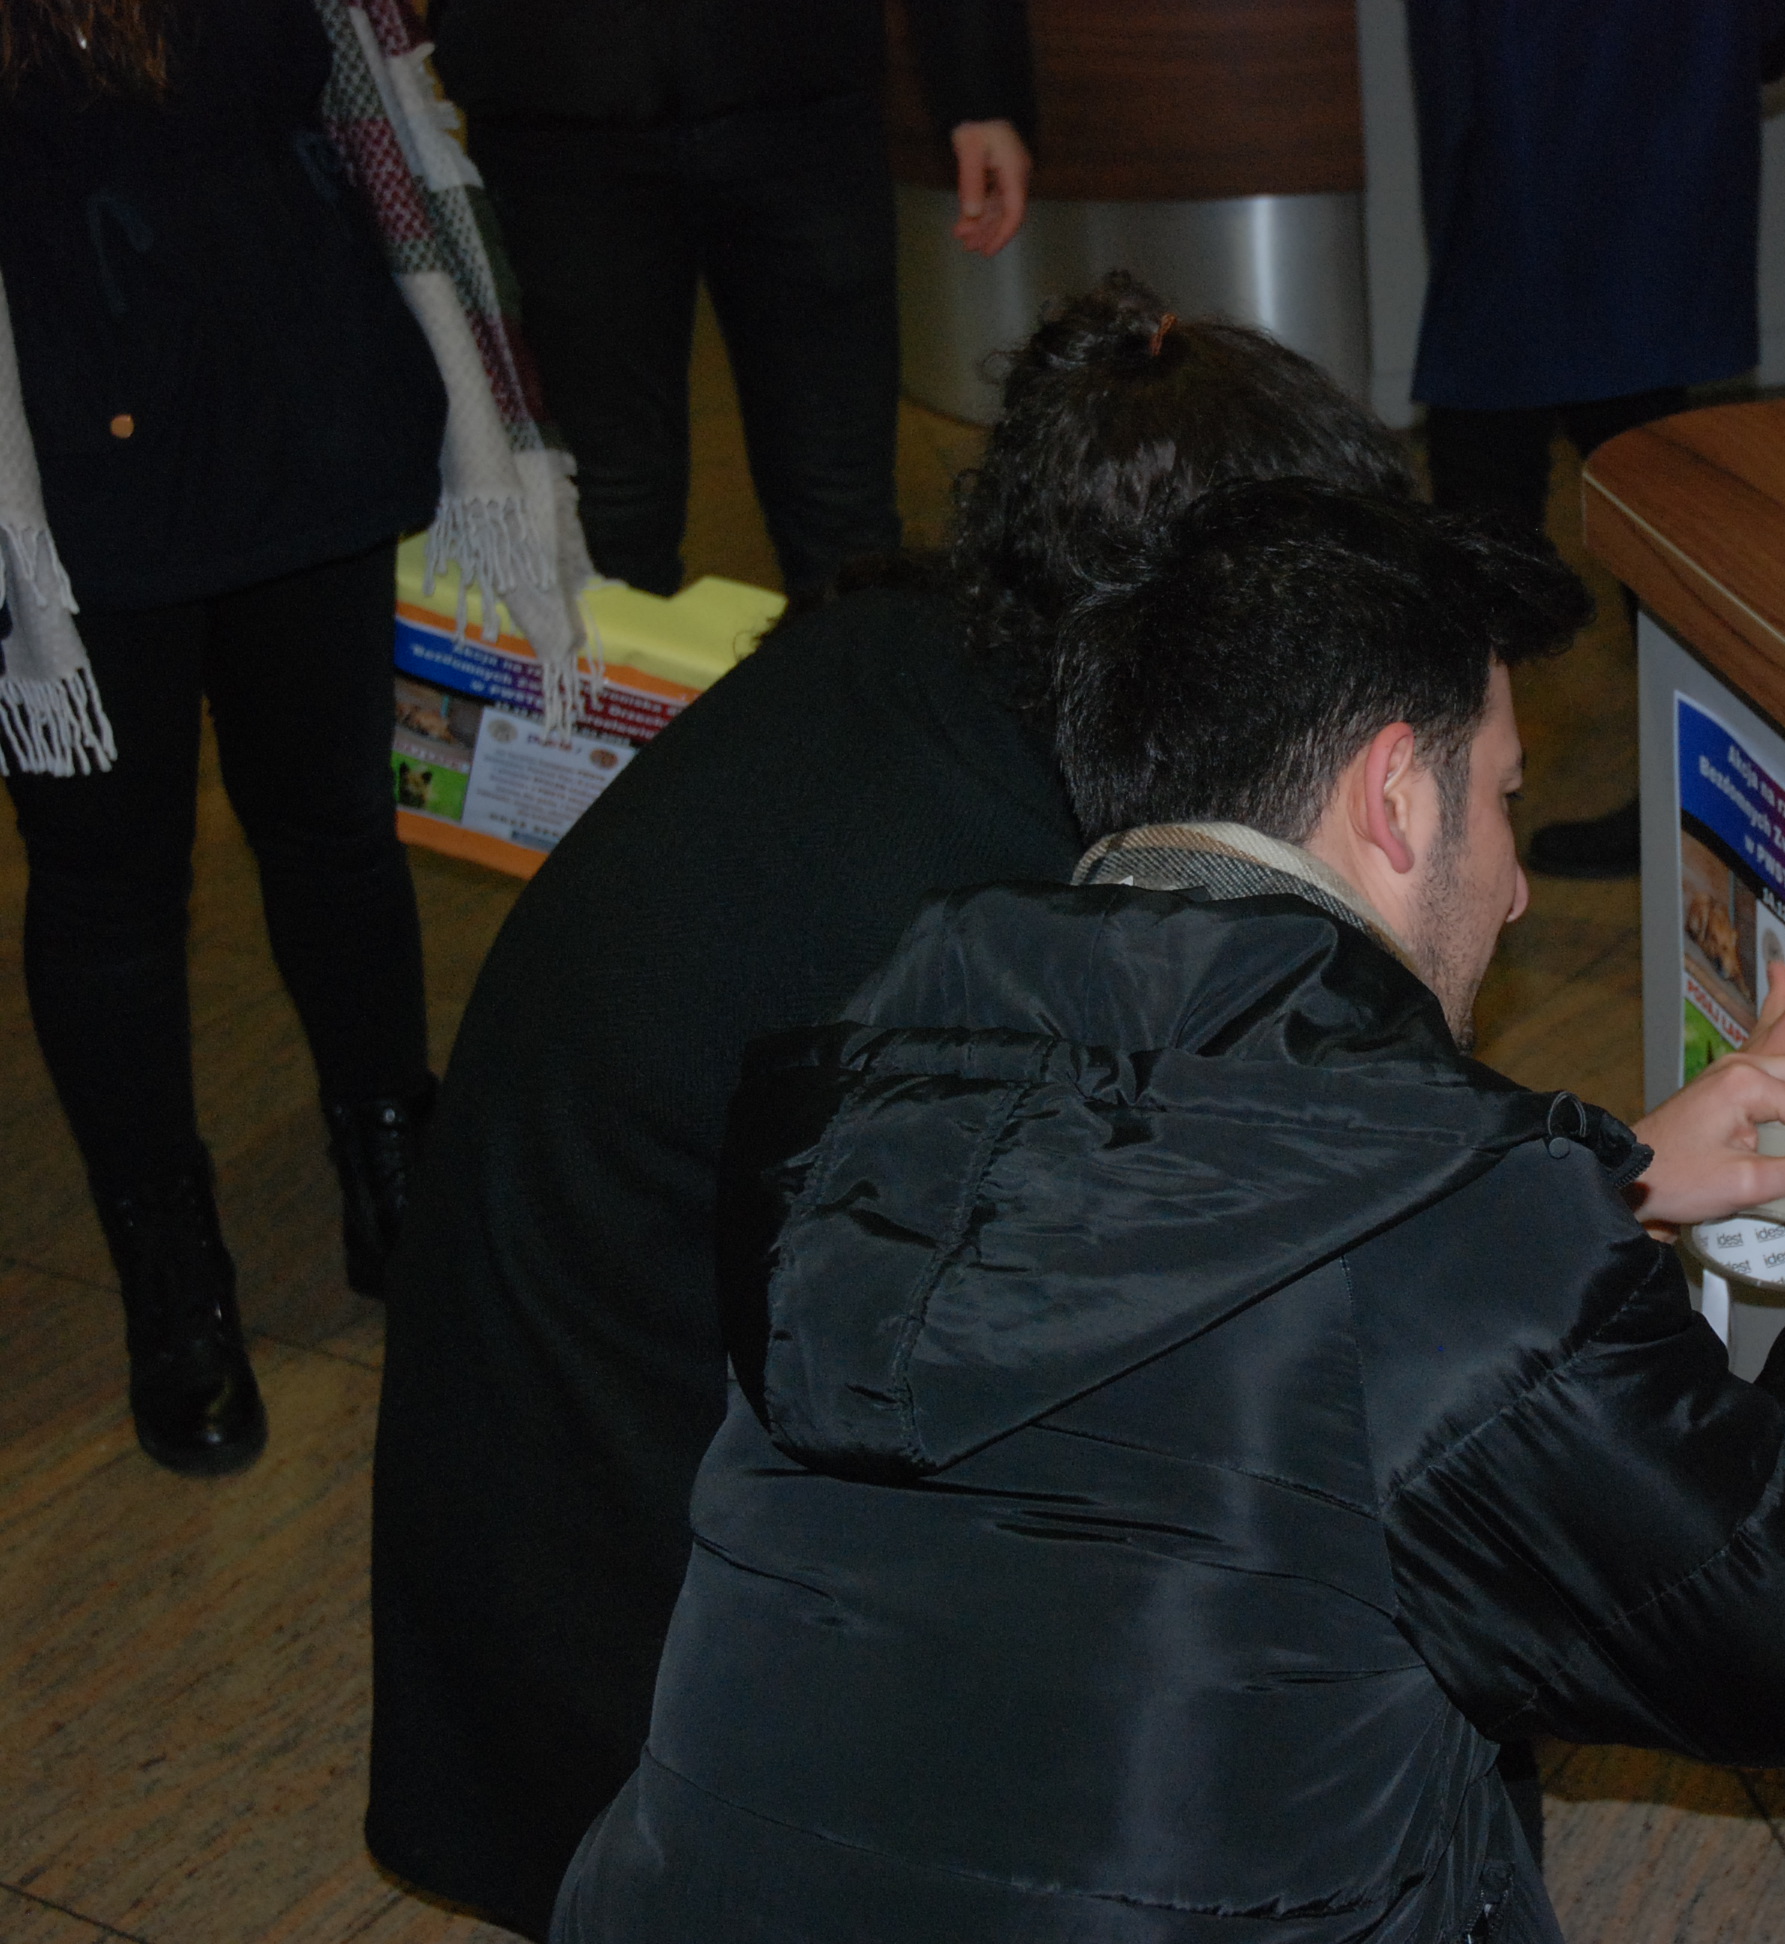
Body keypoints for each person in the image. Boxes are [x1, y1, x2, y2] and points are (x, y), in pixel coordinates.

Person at [550, 481, 1785, 1942]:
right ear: (1395, 798)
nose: (1515, 891)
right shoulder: (1449, 1237)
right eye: (1501, 798)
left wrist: (1587, 1181)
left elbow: (1178, 1271)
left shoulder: (880, 1056)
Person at [366, 276, 1419, 1938]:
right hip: (638, 1646)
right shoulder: (987, 924)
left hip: (565, 1503)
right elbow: (1186, 1346)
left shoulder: (918, 661)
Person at [0, 0, 523, 1475]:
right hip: (73, 453)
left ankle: (396, 1185)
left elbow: (362, 96)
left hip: (303, 395)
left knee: (334, 821)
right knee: (109, 884)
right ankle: (173, 1277)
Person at [1407, 0, 1785, 879]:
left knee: (1504, 503)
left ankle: (1462, 809)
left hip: (1538, 131)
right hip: (1632, 126)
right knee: (1628, 493)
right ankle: (1676, 792)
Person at [429, 0, 1036, 603]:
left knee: (841, 510)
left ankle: (848, 661)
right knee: (604, 510)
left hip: (801, 95)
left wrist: (979, 87)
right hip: (552, 103)